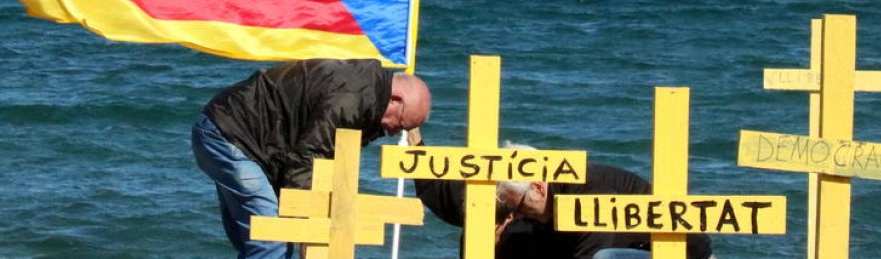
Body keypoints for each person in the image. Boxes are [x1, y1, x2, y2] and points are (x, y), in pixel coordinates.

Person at [191, 58, 431, 259]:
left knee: (258, 241)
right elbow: (308, 158)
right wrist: (309, 228)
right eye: (400, 124)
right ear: (396, 99)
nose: (393, 132)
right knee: (274, 239)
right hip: (229, 133)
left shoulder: (368, 103)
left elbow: (326, 161)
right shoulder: (352, 100)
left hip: (244, 139)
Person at [411, 133, 713, 259]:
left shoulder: (588, 197)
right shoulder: (535, 202)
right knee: (502, 238)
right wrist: (417, 145)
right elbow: (457, 202)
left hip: (666, 251)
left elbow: (589, 254)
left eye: (517, 207)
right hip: (589, 244)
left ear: (539, 187)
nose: (515, 214)